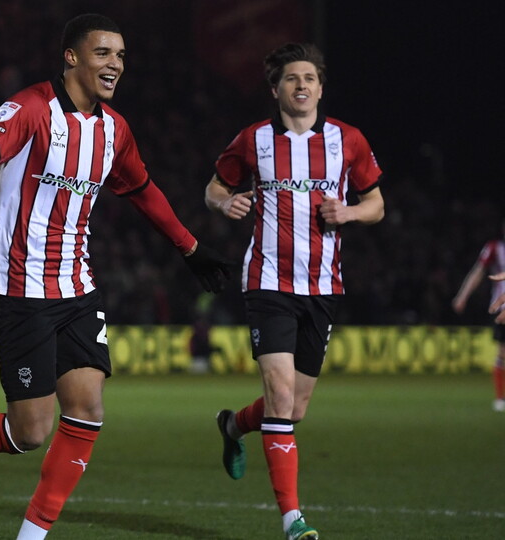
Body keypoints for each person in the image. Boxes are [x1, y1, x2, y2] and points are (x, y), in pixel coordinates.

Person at [0, 13, 232, 539]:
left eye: (121, 56)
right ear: (72, 57)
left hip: (77, 287)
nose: (115, 65)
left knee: (87, 408)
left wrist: (191, 248)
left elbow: (142, 190)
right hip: (19, 289)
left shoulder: (115, 129)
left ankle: (31, 536)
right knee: (29, 432)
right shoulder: (30, 108)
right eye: (104, 53)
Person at [205, 43, 385, 540]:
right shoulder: (253, 139)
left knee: (294, 408)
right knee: (281, 397)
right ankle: (292, 519)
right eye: (291, 79)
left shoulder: (348, 141)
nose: (301, 85)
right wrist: (226, 206)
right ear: (276, 89)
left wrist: (347, 212)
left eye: (309, 78)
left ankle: (233, 426)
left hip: (323, 287)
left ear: (321, 88)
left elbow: (376, 204)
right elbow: (215, 188)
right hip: (268, 283)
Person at [452, 219, 505, 411]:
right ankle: (500, 398)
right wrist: (463, 295)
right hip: (502, 309)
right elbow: (478, 272)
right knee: (502, 353)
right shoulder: (494, 248)